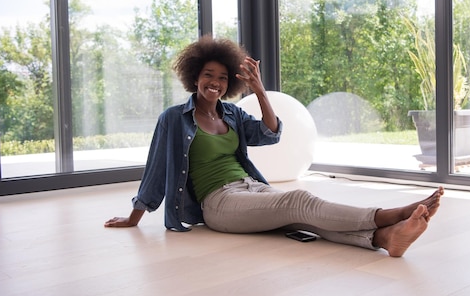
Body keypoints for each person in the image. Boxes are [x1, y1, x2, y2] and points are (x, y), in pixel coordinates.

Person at [104, 35, 443, 257]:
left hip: (252, 188)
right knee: (299, 200)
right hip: (219, 203)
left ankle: (384, 240)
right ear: (195, 77)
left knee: (302, 219)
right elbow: (156, 170)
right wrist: (135, 217)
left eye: (223, 78)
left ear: (230, 83)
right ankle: (388, 214)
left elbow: (270, 133)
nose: (215, 83)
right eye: (209, 75)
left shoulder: (233, 113)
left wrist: (260, 89)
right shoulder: (174, 118)